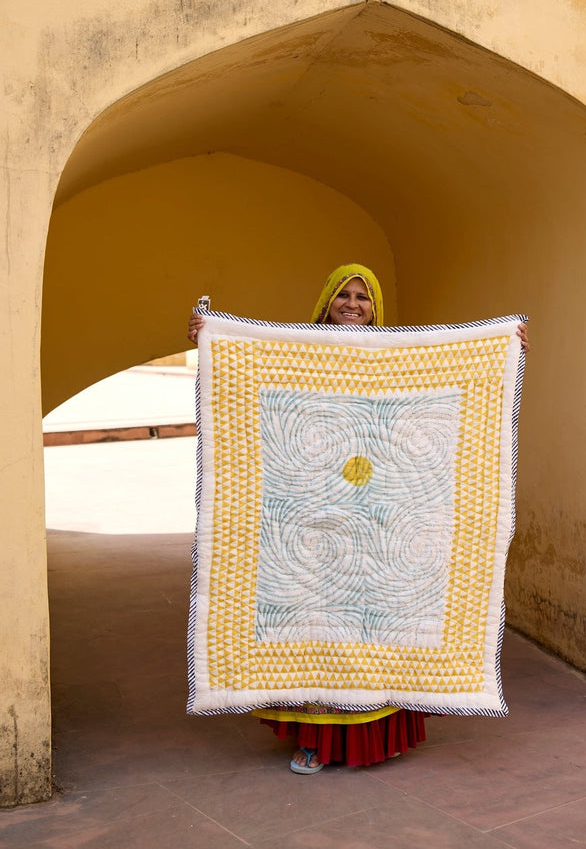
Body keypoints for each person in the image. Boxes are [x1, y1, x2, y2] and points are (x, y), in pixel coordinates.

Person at [187, 263, 528, 774]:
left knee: (379, 623)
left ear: (376, 307)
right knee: (315, 624)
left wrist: (502, 347)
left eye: (362, 297)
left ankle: (373, 737)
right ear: (325, 301)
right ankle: (315, 742)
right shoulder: (296, 354)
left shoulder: (399, 359)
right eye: (342, 295)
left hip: (383, 517)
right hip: (314, 519)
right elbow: (256, 401)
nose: (353, 304)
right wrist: (211, 340)